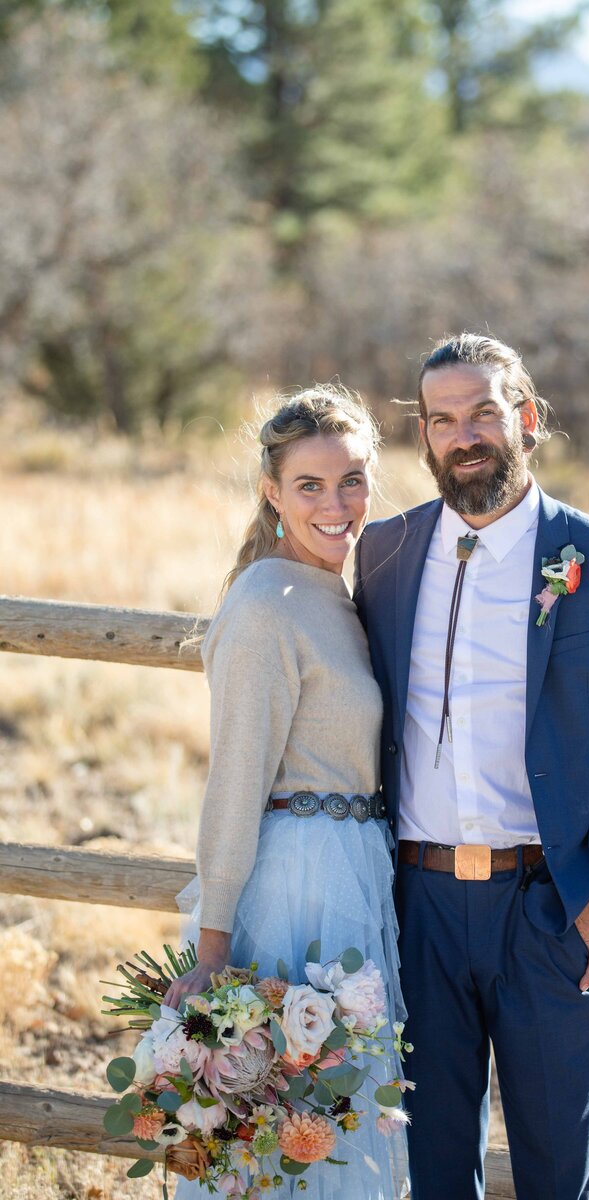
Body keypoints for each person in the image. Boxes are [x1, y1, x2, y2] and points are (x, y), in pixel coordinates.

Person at [354, 333, 589, 1200]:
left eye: (483, 412)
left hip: (548, 911)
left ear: (528, 420)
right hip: (418, 906)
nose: (464, 435)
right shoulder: (386, 554)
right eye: (442, 420)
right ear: (425, 437)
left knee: (554, 1172)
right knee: (433, 1168)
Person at [163, 387, 409, 1199]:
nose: (336, 505)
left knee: (330, 1120)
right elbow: (234, 778)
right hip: (297, 885)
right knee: (280, 1125)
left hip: (354, 866)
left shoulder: (337, 590)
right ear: (271, 492)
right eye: (310, 485)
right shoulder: (269, 603)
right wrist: (212, 951)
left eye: (352, 480)